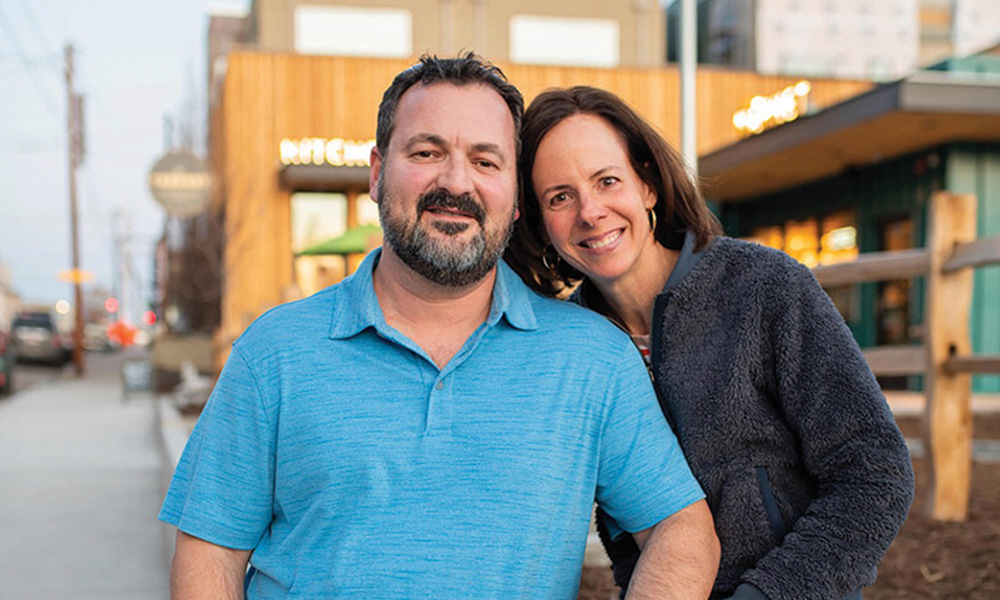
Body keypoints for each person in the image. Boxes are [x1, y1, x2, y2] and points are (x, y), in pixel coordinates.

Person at [160, 55, 720, 600]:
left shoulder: (593, 359)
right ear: (378, 173)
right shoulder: (275, 352)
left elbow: (681, 529)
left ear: (515, 197)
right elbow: (209, 552)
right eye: (427, 152)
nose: (457, 182)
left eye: (486, 160)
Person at [505, 86, 915, 600]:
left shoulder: (764, 288)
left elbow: (876, 472)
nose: (591, 212)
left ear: (648, 185)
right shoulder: (565, 348)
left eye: (607, 180)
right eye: (559, 197)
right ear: (541, 224)